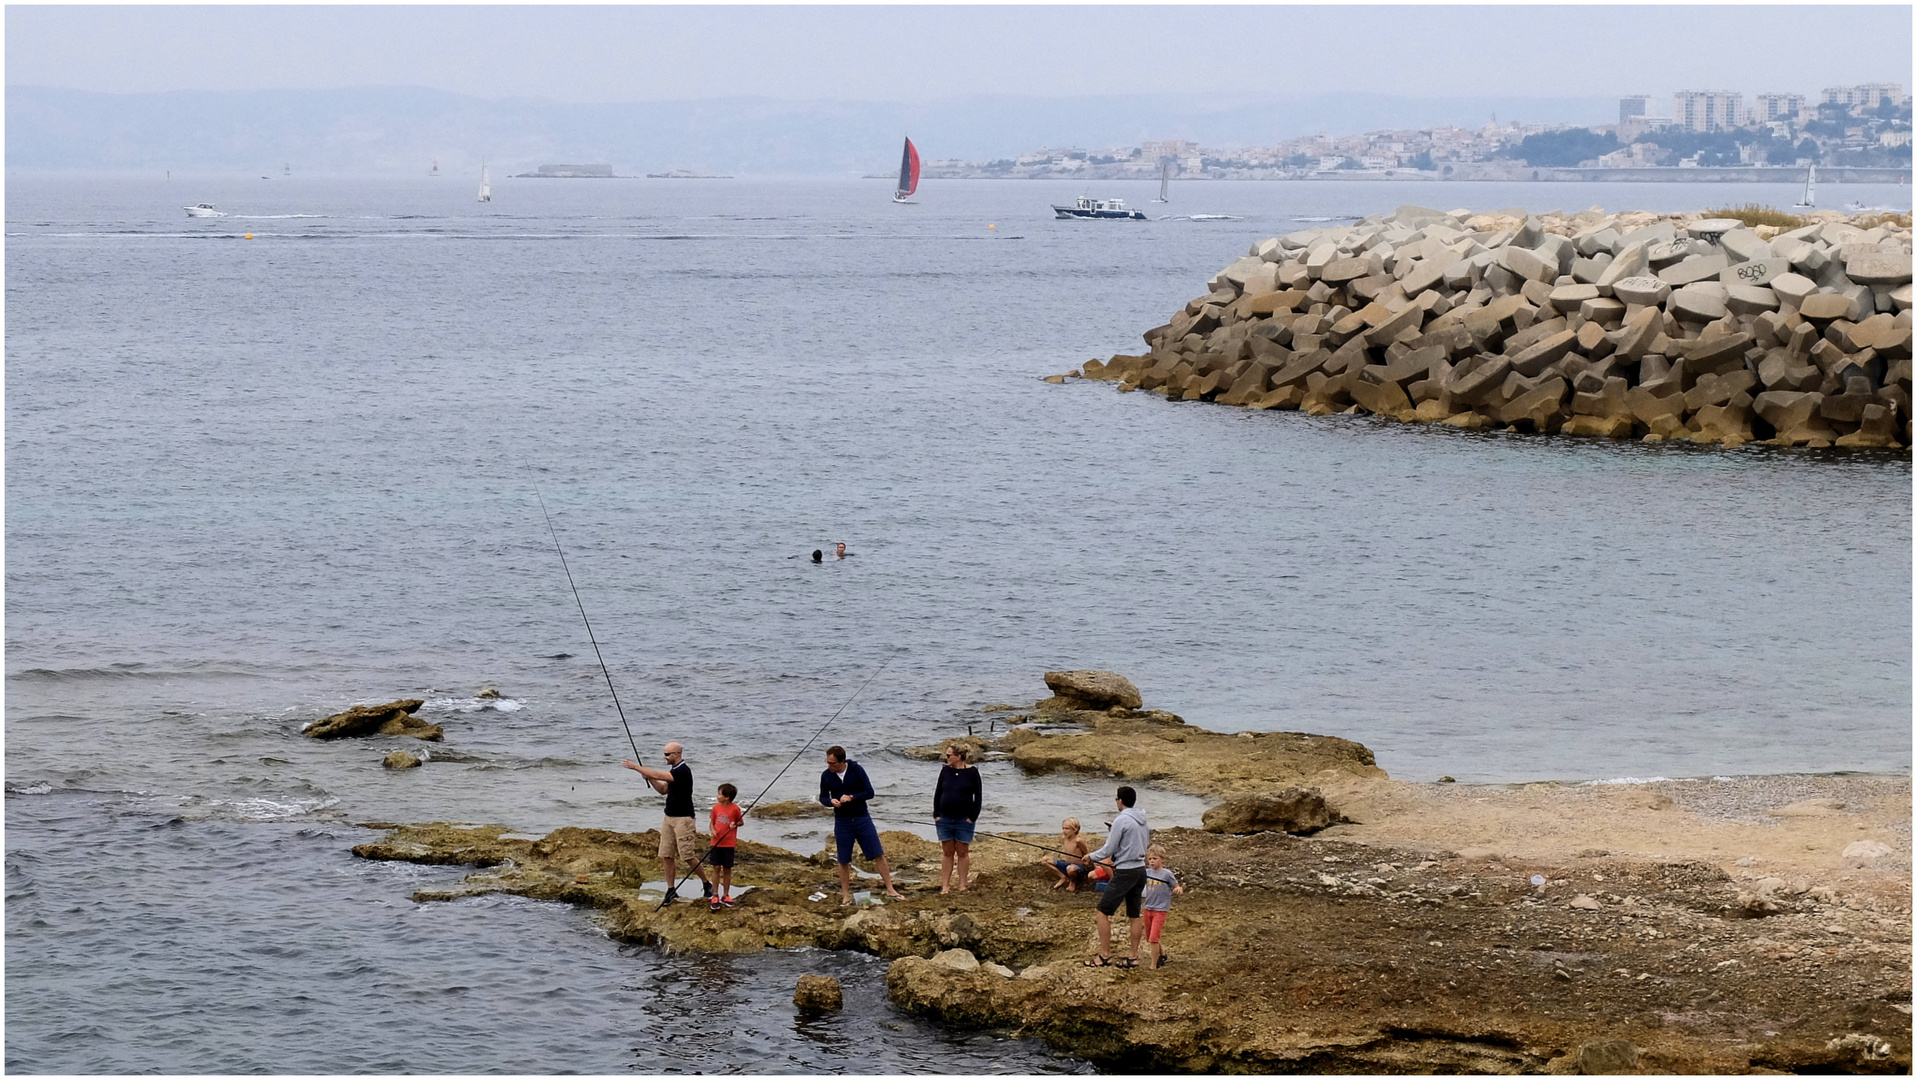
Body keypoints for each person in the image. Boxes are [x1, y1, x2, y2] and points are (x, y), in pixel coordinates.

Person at [622, 742, 711, 903]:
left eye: (668, 754)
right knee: (666, 855)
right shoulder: (673, 771)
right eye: (664, 754)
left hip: (683, 819)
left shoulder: (683, 771)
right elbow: (663, 790)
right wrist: (649, 778)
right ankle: (671, 890)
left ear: (677, 754)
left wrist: (636, 767)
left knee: (687, 856)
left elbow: (658, 774)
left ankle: (706, 884)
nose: (665, 757)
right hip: (669, 817)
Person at [818, 744, 904, 906]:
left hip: (861, 818)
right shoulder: (826, 776)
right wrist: (831, 802)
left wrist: (851, 797)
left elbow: (869, 792)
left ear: (842, 761)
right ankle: (846, 895)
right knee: (843, 859)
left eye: (832, 763)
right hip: (842, 821)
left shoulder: (857, 770)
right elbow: (822, 797)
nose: (829, 766)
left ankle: (890, 889)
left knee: (877, 853)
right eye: (828, 763)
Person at [1083, 785, 1149, 969]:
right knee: (1134, 914)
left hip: (1126, 871)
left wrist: (1091, 856)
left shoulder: (1121, 820)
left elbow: (1109, 849)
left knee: (1102, 911)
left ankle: (1105, 956)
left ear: (1120, 800)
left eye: (1116, 799)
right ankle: (1133, 957)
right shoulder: (1143, 820)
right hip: (1140, 870)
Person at [932, 743, 981, 895]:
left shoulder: (972, 772)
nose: (945, 758)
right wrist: (936, 814)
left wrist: (973, 817)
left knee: (962, 852)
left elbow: (978, 796)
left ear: (958, 757)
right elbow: (938, 792)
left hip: (964, 819)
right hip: (944, 818)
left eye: (948, 755)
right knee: (947, 852)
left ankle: (962, 885)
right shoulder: (945, 770)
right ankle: (945, 886)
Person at [1140, 845, 1184, 970]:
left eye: (1155, 858)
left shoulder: (1166, 874)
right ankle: (1163, 954)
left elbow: (1176, 885)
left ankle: (1153, 965)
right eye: (1150, 859)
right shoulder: (1146, 872)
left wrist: (1178, 888)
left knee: (1154, 938)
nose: (1152, 861)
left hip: (1160, 909)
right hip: (1147, 908)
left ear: (1162, 859)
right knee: (1150, 937)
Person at [707, 782, 745, 911]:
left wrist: (735, 824)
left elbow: (740, 822)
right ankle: (715, 894)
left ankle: (726, 894)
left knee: (727, 868)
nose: (717, 796)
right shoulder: (716, 808)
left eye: (719, 794)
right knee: (716, 867)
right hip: (716, 842)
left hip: (729, 843)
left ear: (727, 796)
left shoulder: (735, 809)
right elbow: (711, 823)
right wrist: (712, 831)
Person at [1047, 817, 1092, 891]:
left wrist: (1091, 865)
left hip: (1078, 867)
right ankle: (1063, 877)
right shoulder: (1064, 838)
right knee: (1046, 860)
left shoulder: (1078, 841)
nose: (1064, 831)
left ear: (1075, 829)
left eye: (1067, 829)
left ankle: (1072, 882)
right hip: (1067, 864)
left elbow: (1086, 853)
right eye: (1063, 828)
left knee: (1071, 869)